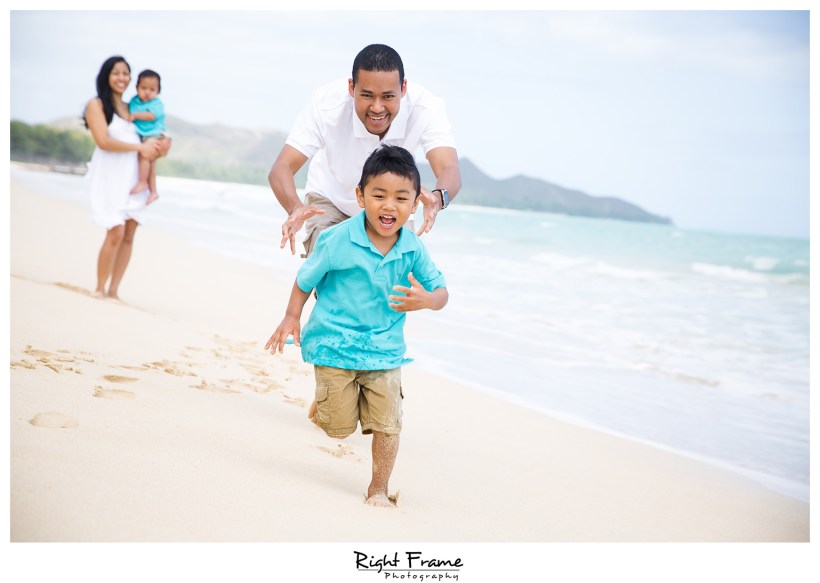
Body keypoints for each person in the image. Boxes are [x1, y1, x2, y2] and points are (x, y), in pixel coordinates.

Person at [265, 145, 449, 508]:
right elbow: (305, 281)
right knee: (338, 428)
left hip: (384, 350)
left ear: (414, 205)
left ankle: (378, 489)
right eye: (378, 195)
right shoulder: (337, 240)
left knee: (388, 423)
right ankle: (324, 408)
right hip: (334, 344)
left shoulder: (413, 249)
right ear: (360, 197)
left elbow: (441, 292)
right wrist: (291, 317)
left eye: (400, 198)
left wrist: (427, 300)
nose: (389, 206)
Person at [269, 43, 462, 257]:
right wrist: (295, 208)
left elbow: (449, 167)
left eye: (388, 97)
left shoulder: (426, 108)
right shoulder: (325, 105)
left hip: (389, 206)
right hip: (331, 200)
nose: (377, 107)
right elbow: (282, 167)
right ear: (351, 88)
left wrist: (437, 199)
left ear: (403, 89)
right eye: (367, 95)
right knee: (334, 274)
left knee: (395, 283)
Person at [84, 56, 169, 299]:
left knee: (129, 235)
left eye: (125, 73)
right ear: (106, 76)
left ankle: (114, 290)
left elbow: (150, 140)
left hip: (134, 179)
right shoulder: (97, 105)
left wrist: (161, 146)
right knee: (116, 231)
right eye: (116, 73)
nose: (121, 78)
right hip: (111, 178)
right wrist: (140, 150)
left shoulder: (133, 107)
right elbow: (103, 141)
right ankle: (99, 288)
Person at [128, 69, 170, 204]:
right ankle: (153, 191)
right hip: (144, 136)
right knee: (150, 163)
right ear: (136, 88)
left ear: (158, 91)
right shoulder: (134, 102)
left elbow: (151, 116)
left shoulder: (156, 104)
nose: (147, 92)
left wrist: (135, 116)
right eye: (143, 88)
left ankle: (142, 182)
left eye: (152, 89)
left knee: (145, 156)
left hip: (155, 135)